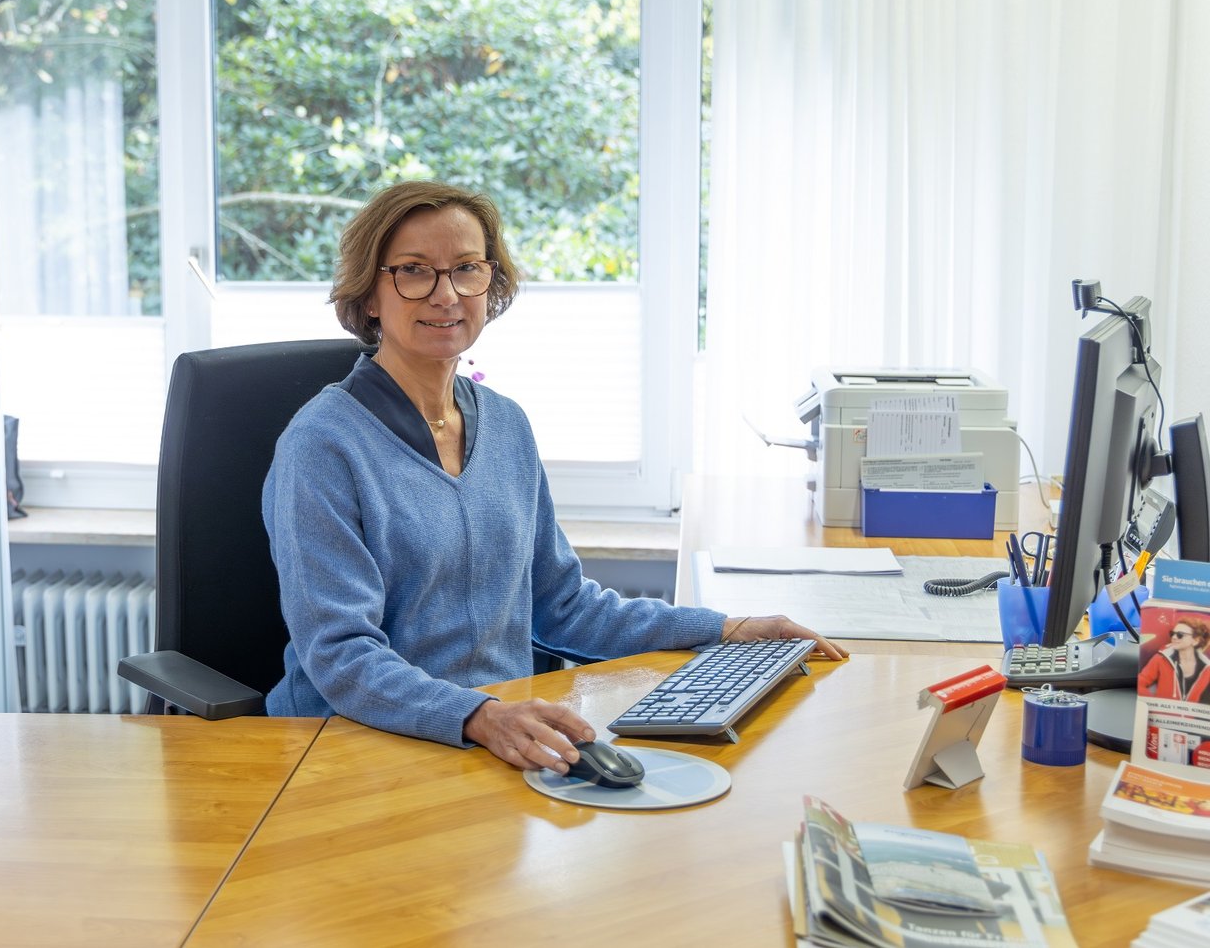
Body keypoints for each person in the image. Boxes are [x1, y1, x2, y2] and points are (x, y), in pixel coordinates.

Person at [262, 181, 846, 776]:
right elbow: (340, 655)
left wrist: (725, 629)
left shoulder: (506, 425)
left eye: (466, 269)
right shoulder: (321, 446)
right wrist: (477, 715)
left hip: (501, 736)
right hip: (349, 748)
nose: (446, 294)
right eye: (414, 271)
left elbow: (562, 606)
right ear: (369, 295)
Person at [1138, 615, 1210, 703]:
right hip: (1161, 711)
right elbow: (1139, 683)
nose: (1174, 637)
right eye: (1172, 633)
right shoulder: (1160, 659)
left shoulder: (1207, 669)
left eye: (1180, 635)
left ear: (1195, 640)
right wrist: (1152, 704)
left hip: (1190, 712)